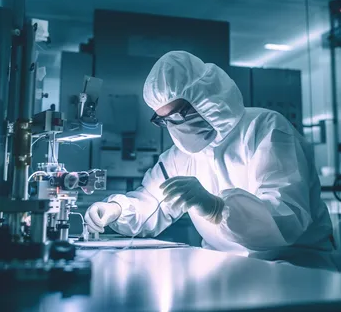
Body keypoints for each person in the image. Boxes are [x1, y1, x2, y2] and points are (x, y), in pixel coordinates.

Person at [85, 51, 334, 254]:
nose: (175, 128)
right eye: (164, 121)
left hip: (294, 266)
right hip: (226, 268)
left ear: (205, 97)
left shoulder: (265, 129)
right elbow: (151, 203)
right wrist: (117, 209)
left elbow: (287, 219)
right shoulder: (180, 157)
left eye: (176, 116)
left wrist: (218, 208)